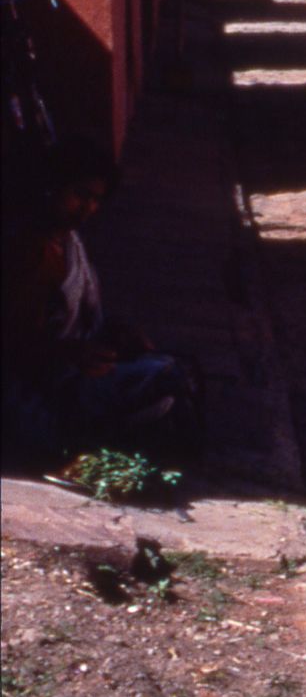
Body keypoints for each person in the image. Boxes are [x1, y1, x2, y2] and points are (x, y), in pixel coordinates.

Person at [1, 136, 202, 472]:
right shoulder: (31, 252)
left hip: (67, 371)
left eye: (96, 200)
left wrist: (116, 331)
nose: (88, 208)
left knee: (177, 372)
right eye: (80, 195)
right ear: (52, 187)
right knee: (167, 380)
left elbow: (80, 316)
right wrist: (72, 354)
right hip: (34, 392)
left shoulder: (66, 241)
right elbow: (14, 344)